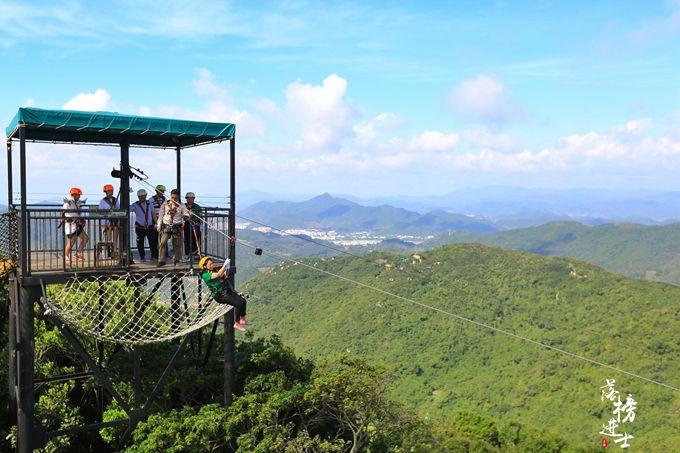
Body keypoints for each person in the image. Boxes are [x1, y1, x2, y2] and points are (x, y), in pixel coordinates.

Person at [198, 256, 250, 332]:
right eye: (210, 264)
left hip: (226, 291)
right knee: (238, 304)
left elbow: (222, 274)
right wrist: (225, 265)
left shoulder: (212, 271)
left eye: (212, 264)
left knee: (243, 301)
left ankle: (242, 319)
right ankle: (237, 323)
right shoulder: (205, 275)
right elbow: (219, 274)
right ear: (205, 266)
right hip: (220, 295)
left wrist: (226, 268)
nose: (212, 265)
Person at [156, 188, 190, 266]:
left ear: (178, 197)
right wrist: (159, 225)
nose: (174, 199)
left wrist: (188, 215)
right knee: (162, 242)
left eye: (175, 198)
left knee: (177, 244)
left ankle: (176, 260)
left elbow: (186, 214)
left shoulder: (181, 205)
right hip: (166, 225)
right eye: (172, 197)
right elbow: (161, 215)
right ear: (170, 196)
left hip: (177, 226)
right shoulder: (165, 204)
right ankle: (161, 260)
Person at [63, 187, 88, 265]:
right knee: (72, 242)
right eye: (78, 195)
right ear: (73, 195)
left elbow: (81, 203)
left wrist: (83, 202)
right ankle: (66, 256)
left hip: (77, 224)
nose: (79, 197)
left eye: (79, 195)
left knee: (85, 238)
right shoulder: (68, 203)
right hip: (70, 225)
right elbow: (65, 213)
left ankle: (78, 253)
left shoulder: (77, 202)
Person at [130, 189, 158, 261]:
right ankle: (142, 257)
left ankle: (154, 256)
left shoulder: (150, 203)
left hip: (150, 226)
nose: (142, 198)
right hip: (140, 227)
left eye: (143, 196)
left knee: (153, 242)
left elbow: (153, 213)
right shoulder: (135, 205)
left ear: (145, 196)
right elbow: (128, 210)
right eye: (140, 197)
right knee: (140, 242)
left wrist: (157, 223)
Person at [98, 184, 120, 258]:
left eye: (112, 191)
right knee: (108, 239)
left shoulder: (115, 200)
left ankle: (114, 252)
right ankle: (106, 253)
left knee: (115, 239)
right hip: (107, 222)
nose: (111, 192)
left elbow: (119, 210)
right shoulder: (103, 201)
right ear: (106, 192)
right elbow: (101, 212)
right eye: (109, 191)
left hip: (115, 221)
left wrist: (115, 210)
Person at [183, 192, 202, 260]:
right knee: (187, 239)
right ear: (186, 199)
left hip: (195, 225)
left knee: (196, 238)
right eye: (189, 198)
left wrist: (199, 223)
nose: (191, 200)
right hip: (187, 224)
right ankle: (187, 253)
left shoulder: (197, 207)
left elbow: (200, 217)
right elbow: (183, 217)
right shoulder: (183, 206)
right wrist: (189, 217)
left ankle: (196, 253)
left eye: (192, 199)